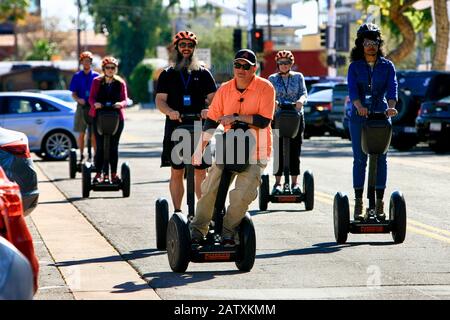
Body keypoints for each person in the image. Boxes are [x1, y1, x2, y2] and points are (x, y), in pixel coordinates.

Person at [190, 49, 275, 246]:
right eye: (237, 65)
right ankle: (197, 230)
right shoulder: (225, 90)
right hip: (229, 149)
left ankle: (227, 231)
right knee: (210, 189)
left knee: (242, 196)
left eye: (246, 66)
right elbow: (211, 121)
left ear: (254, 68)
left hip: (257, 152)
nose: (241, 69)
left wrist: (236, 117)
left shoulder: (266, 88)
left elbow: (263, 121)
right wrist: (199, 149)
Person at [155, 31, 217, 213]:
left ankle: (202, 215)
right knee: (177, 170)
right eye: (182, 45)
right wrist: (170, 112)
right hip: (175, 126)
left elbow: (214, 99)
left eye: (190, 45)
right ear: (176, 48)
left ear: (194, 49)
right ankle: (178, 213)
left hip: (199, 126)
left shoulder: (203, 73)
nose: (186, 49)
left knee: (200, 171)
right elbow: (160, 100)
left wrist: (209, 111)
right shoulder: (167, 74)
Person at [347, 23, 398, 220]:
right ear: (360, 45)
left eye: (374, 42)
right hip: (359, 118)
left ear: (379, 44)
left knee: (382, 158)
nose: (371, 46)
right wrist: (359, 106)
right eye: (366, 42)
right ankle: (359, 204)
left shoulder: (387, 66)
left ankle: (379, 204)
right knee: (360, 159)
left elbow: (392, 87)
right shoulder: (354, 67)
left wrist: (391, 106)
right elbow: (352, 90)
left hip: (382, 116)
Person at [268, 50, 307, 195]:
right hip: (279, 117)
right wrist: (274, 102)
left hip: (296, 117)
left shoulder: (298, 77)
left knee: (295, 150)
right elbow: (269, 94)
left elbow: (303, 92)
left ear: (292, 64)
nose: (284, 65)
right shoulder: (272, 78)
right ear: (277, 64)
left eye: (287, 63)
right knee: (278, 150)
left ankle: (295, 183)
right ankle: (277, 184)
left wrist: (300, 101)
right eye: (281, 63)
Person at [88, 56, 128, 183]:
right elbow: (91, 98)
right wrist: (95, 104)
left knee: (113, 147)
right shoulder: (96, 81)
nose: (110, 70)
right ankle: (99, 173)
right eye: (108, 68)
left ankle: (114, 174)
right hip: (99, 117)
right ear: (103, 69)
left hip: (116, 118)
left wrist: (120, 104)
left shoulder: (120, 83)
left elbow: (125, 99)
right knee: (100, 147)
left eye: (113, 68)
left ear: (116, 69)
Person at [69, 51, 99, 161]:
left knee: (94, 134)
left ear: (91, 62)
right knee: (81, 133)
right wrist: (78, 99)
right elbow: (73, 93)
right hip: (82, 107)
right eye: (84, 61)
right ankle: (81, 155)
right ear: (81, 62)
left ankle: (96, 156)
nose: (86, 63)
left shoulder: (96, 76)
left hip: (93, 108)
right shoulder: (77, 76)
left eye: (89, 61)